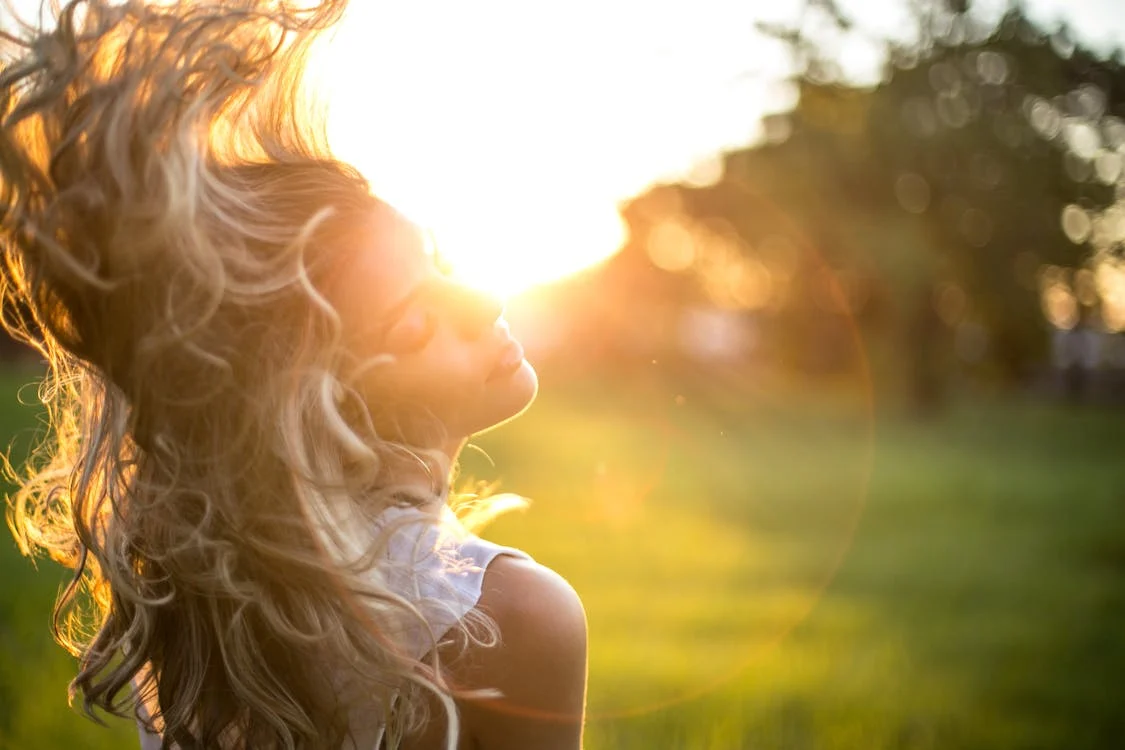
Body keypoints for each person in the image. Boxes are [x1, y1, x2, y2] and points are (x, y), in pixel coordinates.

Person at [0, 1, 587, 748]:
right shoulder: (510, 617)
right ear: (313, 407)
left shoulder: (200, 605)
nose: (483, 299)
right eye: (411, 324)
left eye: (439, 258)